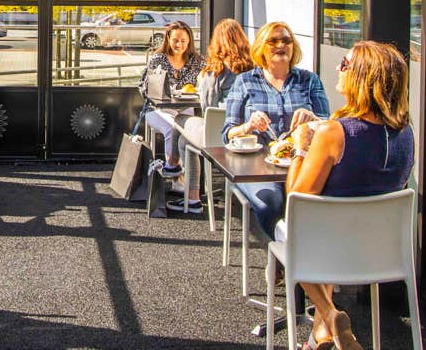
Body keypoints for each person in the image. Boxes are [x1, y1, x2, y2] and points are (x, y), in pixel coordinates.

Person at [282, 41, 414, 350]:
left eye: (345, 63)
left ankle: (329, 314)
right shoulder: (406, 133)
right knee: (320, 233)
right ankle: (321, 339)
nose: (338, 68)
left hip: (331, 250)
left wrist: (301, 146)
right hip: (382, 253)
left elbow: (296, 203)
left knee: (297, 237)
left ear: (362, 76)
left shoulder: (334, 133)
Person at [222, 21, 330, 238]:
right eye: (273, 41)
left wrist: (312, 119)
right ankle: (285, 256)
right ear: (262, 46)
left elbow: (328, 126)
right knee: (271, 203)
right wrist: (249, 125)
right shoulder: (245, 81)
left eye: (286, 41)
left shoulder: (309, 80)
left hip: (302, 162)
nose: (281, 45)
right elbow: (228, 134)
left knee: (320, 200)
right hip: (258, 169)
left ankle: (304, 255)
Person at [165, 18, 254, 213]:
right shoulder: (253, 69)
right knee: (185, 143)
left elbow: (207, 106)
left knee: (180, 119)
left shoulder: (216, 70)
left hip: (218, 136)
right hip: (248, 135)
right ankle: (193, 200)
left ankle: (171, 164)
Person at [138, 20, 206, 176]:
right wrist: (156, 95)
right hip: (157, 109)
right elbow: (143, 87)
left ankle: (184, 181)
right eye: (175, 40)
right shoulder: (158, 59)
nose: (179, 45)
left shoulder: (197, 61)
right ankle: (172, 168)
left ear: (189, 41)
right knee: (173, 129)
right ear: (168, 38)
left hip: (186, 108)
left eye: (183, 41)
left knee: (187, 134)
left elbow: (206, 84)